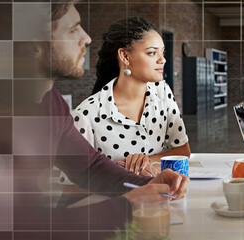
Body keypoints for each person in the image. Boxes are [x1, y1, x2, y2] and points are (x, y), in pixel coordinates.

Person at [0, 2, 189, 239]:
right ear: (34, 46)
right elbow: (12, 229)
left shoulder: (52, 104)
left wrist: (147, 183)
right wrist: (126, 207)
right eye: (72, 29)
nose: (87, 38)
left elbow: (90, 168)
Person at [71, 16, 190, 176]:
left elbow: (182, 151)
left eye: (162, 52)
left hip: (160, 197)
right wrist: (121, 173)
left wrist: (147, 161)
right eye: (152, 53)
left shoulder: (162, 92)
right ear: (125, 56)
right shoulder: (86, 115)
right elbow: (71, 184)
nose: (162, 60)